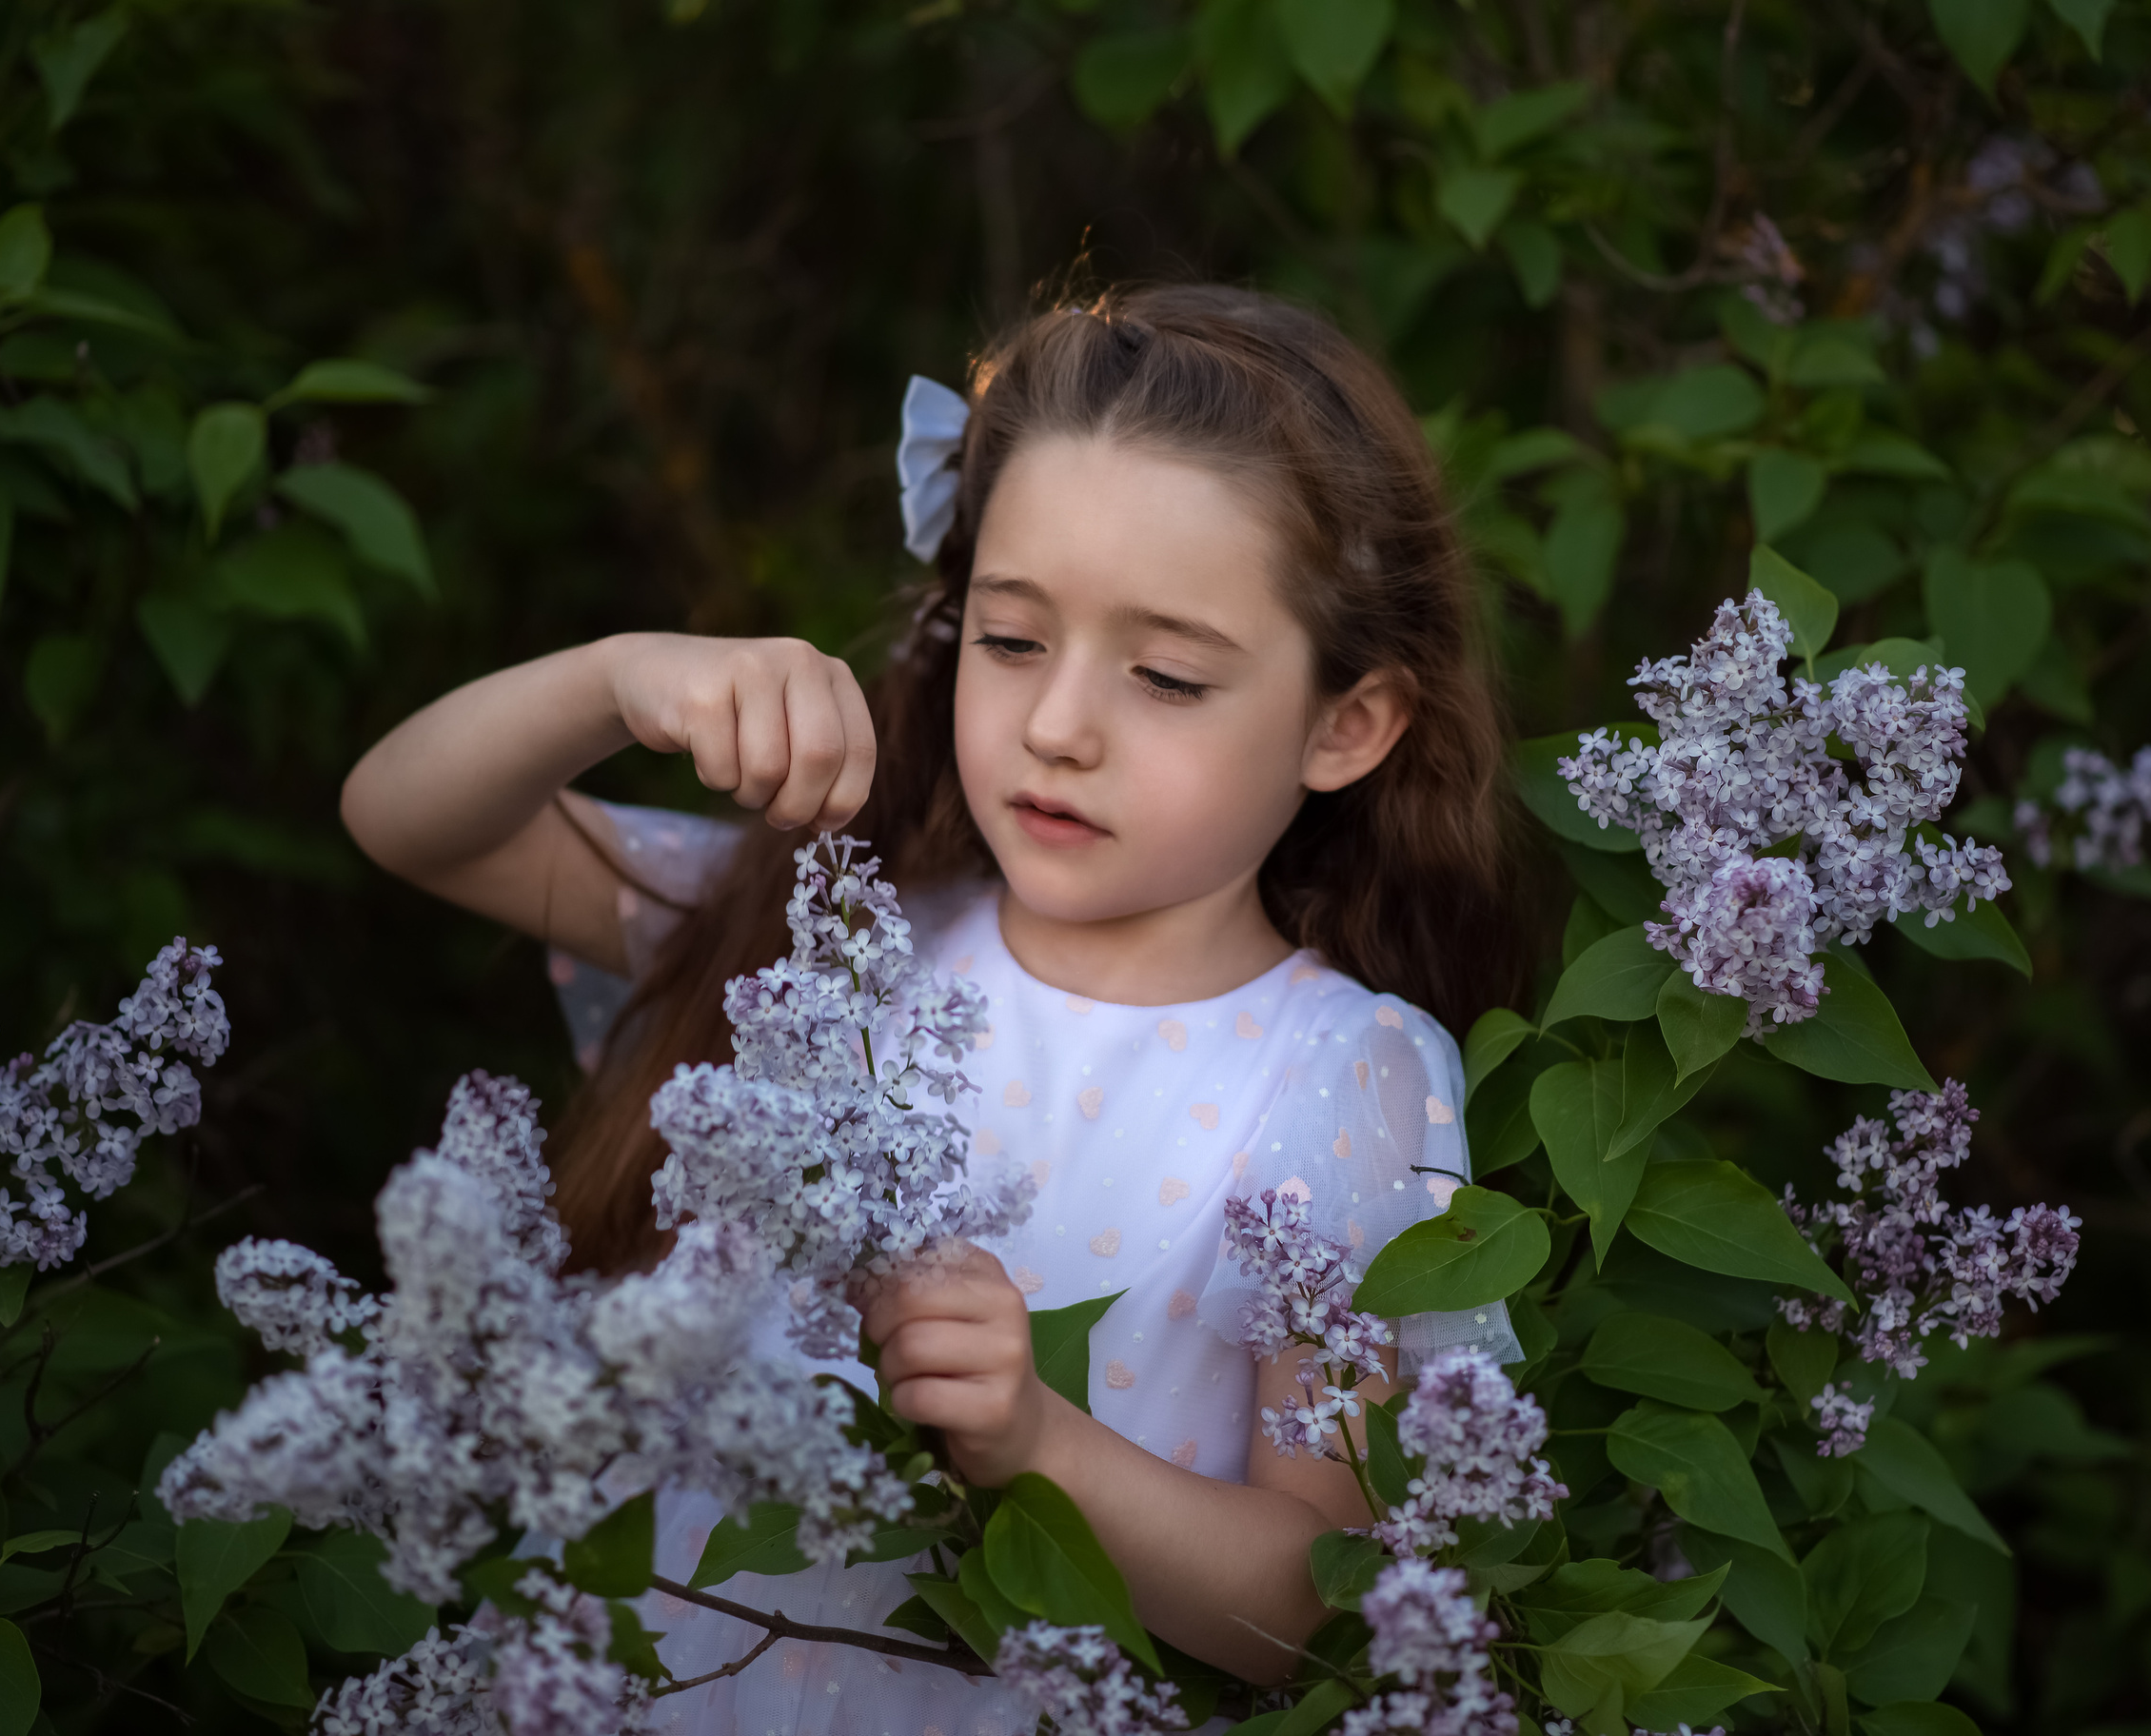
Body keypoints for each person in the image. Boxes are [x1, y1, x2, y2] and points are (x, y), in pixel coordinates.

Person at [339, 283, 1526, 1734]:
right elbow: (409, 820)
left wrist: (1039, 1445)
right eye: (1011, 640)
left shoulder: (1344, 1074)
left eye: (1166, 676)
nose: (1058, 726)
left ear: (1346, 724)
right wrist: (619, 679)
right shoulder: (836, 933)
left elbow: (1322, 1604)